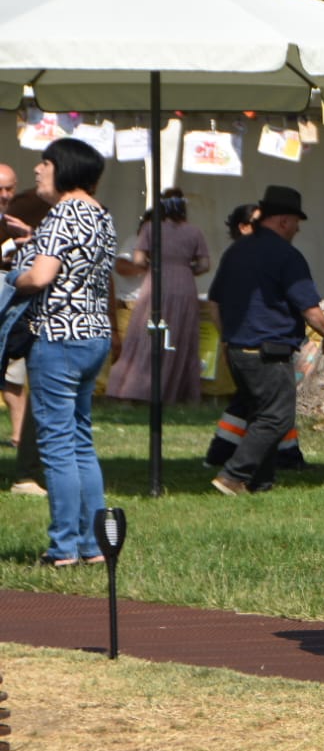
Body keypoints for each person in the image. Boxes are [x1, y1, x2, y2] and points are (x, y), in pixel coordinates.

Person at [12, 139, 116, 568]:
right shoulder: (101, 215)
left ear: (63, 170)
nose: (37, 170)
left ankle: (63, 548)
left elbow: (40, 277)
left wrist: (12, 278)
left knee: (55, 444)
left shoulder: (62, 214)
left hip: (57, 335)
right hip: (94, 335)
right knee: (79, 441)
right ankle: (94, 546)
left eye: (45, 163)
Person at [208, 186, 324, 496]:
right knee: (276, 417)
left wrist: (228, 338)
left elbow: (214, 301)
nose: (297, 228)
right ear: (282, 221)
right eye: (296, 222)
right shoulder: (286, 255)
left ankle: (260, 481)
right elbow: (309, 308)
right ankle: (232, 475)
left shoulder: (235, 251)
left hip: (239, 350)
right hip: (270, 351)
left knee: (259, 414)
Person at [105, 187, 210, 403]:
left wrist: (156, 263)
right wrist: (185, 267)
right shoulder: (194, 231)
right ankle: (180, 392)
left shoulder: (151, 228)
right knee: (181, 336)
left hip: (157, 281)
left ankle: (138, 390)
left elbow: (137, 261)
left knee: (147, 334)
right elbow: (204, 264)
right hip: (184, 284)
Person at [0, 163, 34, 448]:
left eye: (9, 188)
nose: (4, 194)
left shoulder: (16, 217)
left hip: (9, 303)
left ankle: (19, 435)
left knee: (13, 372)